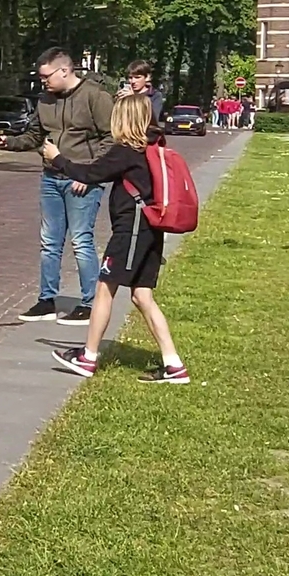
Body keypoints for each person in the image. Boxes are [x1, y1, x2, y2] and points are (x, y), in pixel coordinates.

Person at [43, 99, 190, 383]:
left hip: (132, 230)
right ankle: (174, 365)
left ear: (123, 118)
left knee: (104, 288)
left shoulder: (127, 151)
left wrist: (57, 158)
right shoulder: (150, 145)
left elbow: (90, 174)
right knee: (142, 296)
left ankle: (88, 357)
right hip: (149, 229)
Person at [26, 48, 111, 325]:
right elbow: (35, 135)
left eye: (46, 76)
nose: (43, 82)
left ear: (65, 70)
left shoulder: (95, 96)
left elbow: (112, 138)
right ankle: (46, 300)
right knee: (49, 242)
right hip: (51, 177)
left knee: (81, 241)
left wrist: (88, 174)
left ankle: (89, 303)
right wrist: (7, 142)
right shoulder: (45, 100)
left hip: (81, 181)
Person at [122, 61, 164, 134]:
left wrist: (134, 99)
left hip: (145, 137)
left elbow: (151, 120)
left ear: (147, 77)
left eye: (137, 77)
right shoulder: (125, 95)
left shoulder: (155, 96)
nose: (133, 81)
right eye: (130, 78)